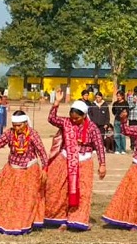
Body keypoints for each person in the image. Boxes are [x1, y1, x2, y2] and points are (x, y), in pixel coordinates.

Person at [44, 90, 107, 231]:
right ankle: (60, 219)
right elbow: (52, 119)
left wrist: (102, 164)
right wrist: (56, 103)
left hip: (84, 162)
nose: (74, 120)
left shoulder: (92, 128)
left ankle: (78, 219)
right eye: (72, 118)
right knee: (59, 189)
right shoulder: (66, 122)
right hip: (65, 159)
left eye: (77, 118)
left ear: (84, 116)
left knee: (83, 191)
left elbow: (100, 147)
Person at [0, 110, 47, 235]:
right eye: (14, 125)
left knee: (24, 200)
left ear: (25, 123)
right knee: (0, 194)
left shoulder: (33, 134)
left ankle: (23, 224)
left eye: (19, 125)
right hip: (12, 169)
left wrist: (45, 169)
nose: (16, 128)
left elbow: (42, 152)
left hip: (29, 170)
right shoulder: (10, 133)